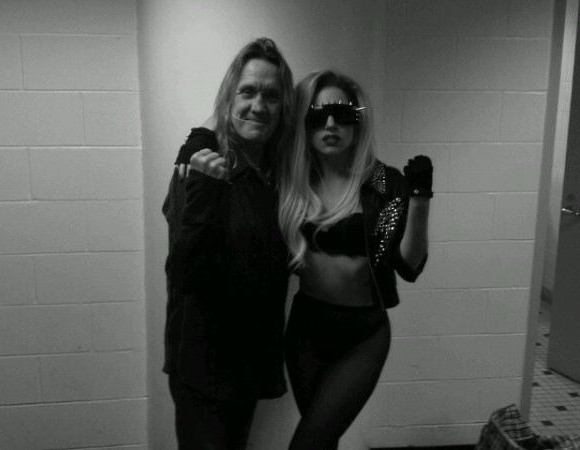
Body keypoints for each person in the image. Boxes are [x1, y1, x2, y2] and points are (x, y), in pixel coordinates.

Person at [277, 70, 432, 450]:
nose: (331, 124)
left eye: (342, 114)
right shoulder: (291, 180)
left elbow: (409, 267)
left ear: (357, 122)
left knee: (308, 444)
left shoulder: (385, 183)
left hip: (362, 337)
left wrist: (420, 199)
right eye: (317, 115)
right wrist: (199, 143)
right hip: (306, 331)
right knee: (322, 440)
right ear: (303, 123)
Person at [161, 37, 295, 450]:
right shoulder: (201, 163)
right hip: (204, 366)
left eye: (271, 95)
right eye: (247, 91)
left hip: (248, 364)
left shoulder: (275, 175)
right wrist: (204, 190)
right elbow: (183, 272)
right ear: (229, 97)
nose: (258, 105)